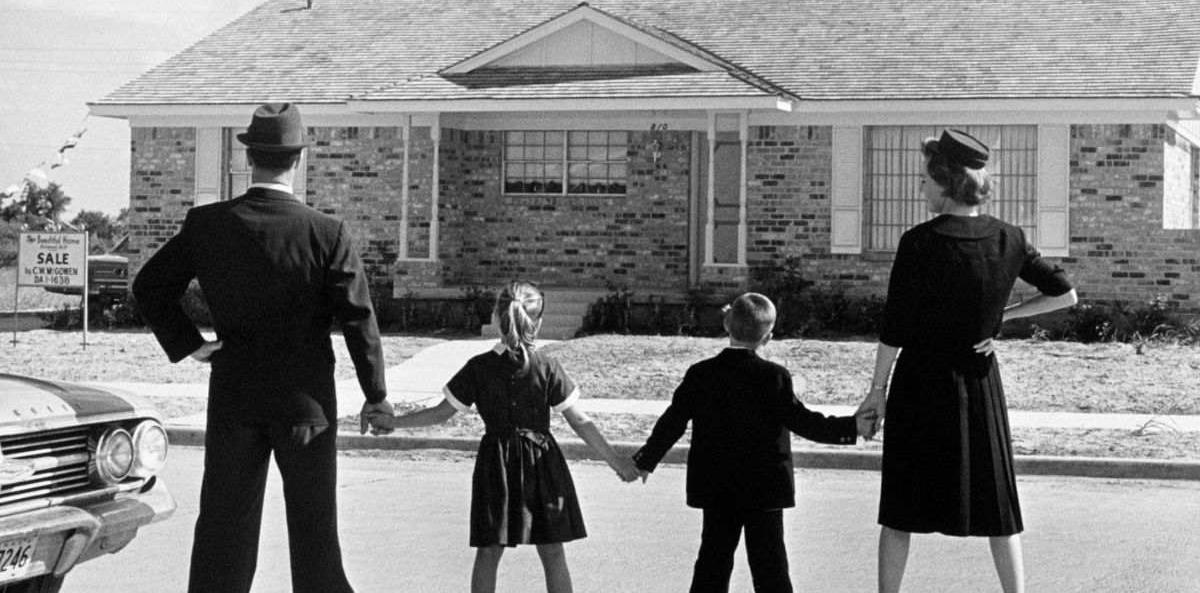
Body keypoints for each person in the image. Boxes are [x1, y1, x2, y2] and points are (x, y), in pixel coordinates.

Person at [133, 102, 395, 593]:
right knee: (316, 538)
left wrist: (191, 345)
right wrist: (376, 393)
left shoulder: (207, 224)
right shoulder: (326, 233)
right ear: (298, 159)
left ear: (249, 158)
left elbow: (149, 286)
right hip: (306, 404)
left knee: (222, 534)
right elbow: (359, 318)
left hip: (234, 397)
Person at [857, 129, 1077, 593]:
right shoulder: (1010, 238)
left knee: (901, 509)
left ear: (945, 180)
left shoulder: (918, 242)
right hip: (979, 382)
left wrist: (876, 391)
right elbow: (1065, 294)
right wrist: (1003, 317)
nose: (921, 189)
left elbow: (894, 329)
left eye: (924, 181)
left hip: (919, 384)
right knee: (998, 507)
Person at [366, 281, 640, 593]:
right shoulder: (547, 367)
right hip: (542, 464)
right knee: (552, 550)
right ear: (537, 322)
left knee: (489, 550)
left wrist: (393, 422)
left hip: (496, 464)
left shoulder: (478, 367)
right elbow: (581, 422)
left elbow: (441, 413)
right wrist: (617, 462)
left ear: (497, 317)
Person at [631, 292, 876, 593]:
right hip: (765, 489)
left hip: (717, 486)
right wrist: (852, 427)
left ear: (726, 325)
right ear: (768, 338)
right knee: (770, 566)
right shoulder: (774, 377)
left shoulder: (701, 374)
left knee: (713, 562)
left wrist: (646, 460)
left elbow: (672, 422)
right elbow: (805, 422)